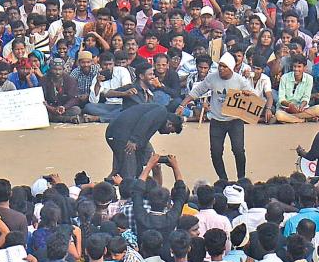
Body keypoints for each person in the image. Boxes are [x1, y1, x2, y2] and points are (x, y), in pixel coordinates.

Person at [175, 53, 255, 181]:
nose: (221, 69)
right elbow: (196, 91)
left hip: (235, 121)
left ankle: (241, 177)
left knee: (238, 150)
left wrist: (248, 94)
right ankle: (223, 179)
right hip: (217, 121)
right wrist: (181, 105)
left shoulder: (240, 80)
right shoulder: (212, 78)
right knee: (216, 153)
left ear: (231, 68)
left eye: (224, 67)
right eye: (220, 66)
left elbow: (254, 97)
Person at [105, 103, 183, 180]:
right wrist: (133, 140)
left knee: (136, 169)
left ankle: (113, 180)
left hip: (120, 132)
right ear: (169, 124)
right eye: (171, 131)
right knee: (130, 172)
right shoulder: (162, 112)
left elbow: (147, 151)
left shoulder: (158, 116)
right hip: (121, 134)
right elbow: (146, 119)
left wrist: (165, 159)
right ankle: (126, 185)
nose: (168, 133)